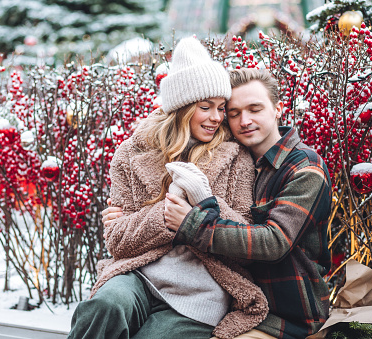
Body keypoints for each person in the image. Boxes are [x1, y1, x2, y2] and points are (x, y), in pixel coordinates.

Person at [104, 68, 332, 339]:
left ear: (278, 109)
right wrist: (126, 218)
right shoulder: (238, 157)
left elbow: (274, 242)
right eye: (233, 113)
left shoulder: (305, 168)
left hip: (286, 314)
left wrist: (192, 222)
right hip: (235, 300)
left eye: (255, 109)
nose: (244, 120)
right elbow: (183, 118)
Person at [68, 38, 268, 339]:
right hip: (140, 275)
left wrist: (204, 203)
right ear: (182, 107)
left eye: (220, 108)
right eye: (205, 107)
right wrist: (165, 216)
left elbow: (244, 244)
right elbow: (118, 241)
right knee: (105, 306)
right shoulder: (132, 153)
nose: (216, 118)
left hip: (202, 289)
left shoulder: (235, 157)